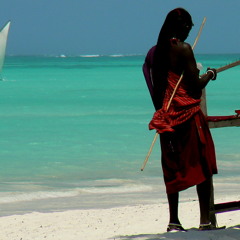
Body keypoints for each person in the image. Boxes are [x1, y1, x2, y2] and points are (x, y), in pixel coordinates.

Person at [143, 8, 222, 231]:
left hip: (166, 117)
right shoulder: (183, 49)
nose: (189, 31)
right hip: (187, 116)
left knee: (172, 167)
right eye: (189, 27)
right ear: (183, 27)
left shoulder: (154, 52)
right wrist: (210, 75)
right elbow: (195, 86)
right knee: (202, 164)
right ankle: (205, 220)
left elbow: (156, 86)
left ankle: (174, 221)